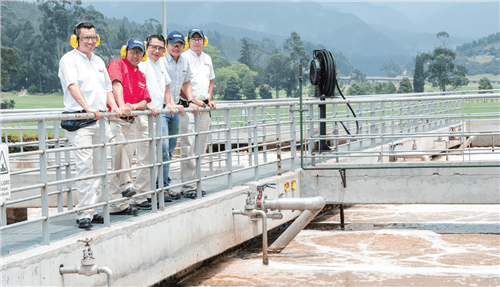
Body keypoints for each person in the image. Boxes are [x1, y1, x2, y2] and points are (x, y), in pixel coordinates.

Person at [58, 22, 124, 229]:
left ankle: (92, 208)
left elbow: (107, 89)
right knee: (85, 166)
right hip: (79, 120)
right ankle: (84, 213)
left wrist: (113, 107)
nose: (90, 41)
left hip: (99, 119)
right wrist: (87, 108)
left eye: (93, 37)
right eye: (85, 37)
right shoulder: (69, 60)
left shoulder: (98, 61)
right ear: (76, 39)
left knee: (99, 166)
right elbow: (72, 86)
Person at [107, 38, 154, 212]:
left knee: (122, 159)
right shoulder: (117, 64)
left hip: (132, 121)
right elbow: (116, 84)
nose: (136, 55)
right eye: (133, 51)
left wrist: (132, 107)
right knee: (122, 150)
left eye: (139, 52)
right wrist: (121, 106)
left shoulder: (141, 75)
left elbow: (144, 101)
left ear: (143, 55)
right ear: (125, 51)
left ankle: (119, 205)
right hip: (116, 118)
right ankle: (126, 186)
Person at [138, 34, 185, 202]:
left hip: (162, 112)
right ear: (147, 46)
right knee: (158, 150)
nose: (157, 51)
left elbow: (167, 90)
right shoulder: (142, 65)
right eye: (153, 47)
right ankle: (152, 190)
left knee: (168, 149)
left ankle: (162, 186)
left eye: (160, 48)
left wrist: (171, 104)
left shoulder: (161, 65)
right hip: (150, 114)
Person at [179, 28, 216, 198]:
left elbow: (211, 82)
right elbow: (179, 84)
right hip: (189, 107)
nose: (196, 42)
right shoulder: (184, 57)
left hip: (203, 107)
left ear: (203, 40)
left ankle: (198, 183)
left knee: (201, 147)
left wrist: (208, 99)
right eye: (193, 39)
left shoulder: (207, 58)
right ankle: (188, 185)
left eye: (199, 38)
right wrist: (192, 99)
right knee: (188, 146)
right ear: (188, 41)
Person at [163, 31, 200, 199]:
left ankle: (164, 185)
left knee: (170, 149)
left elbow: (186, 83)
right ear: (167, 44)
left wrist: (191, 100)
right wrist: (170, 103)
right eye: (173, 44)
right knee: (161, 148)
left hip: (175, 108)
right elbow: (165, 86)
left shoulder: (184, 59)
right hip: (163, 108)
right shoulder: (162, 60)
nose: (176, 47)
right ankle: (159, 188)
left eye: (179, 44)